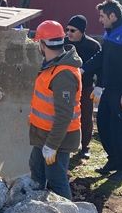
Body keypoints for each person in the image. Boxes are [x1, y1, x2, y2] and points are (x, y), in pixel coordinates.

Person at [82, 0, 122, 182]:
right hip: (110, 89)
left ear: (112, 15)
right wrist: (84, 68)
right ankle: (113, 160)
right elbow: (102, 56)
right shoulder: (111, 31)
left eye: (102, 16)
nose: (100, 20)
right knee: (103, 124)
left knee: (119, 129)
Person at [27, 20, 83, 199]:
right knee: (36, 168)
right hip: (43, 134)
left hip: (58, 138)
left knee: (56, 179)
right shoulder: (52, 66)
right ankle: (36, 205)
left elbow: (64, 115)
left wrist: (52, 146)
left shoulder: (63, 74)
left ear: (43, 44)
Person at [64, 15, 101, 159]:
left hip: (85, 86)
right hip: (67, 86)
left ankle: (85, 146)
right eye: (67, 30)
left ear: (82, 31)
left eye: (73, 30)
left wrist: (99, 86)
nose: (69, 33)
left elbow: (100, 68)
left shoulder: (93, 46)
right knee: (65, 115)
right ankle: (65, 145)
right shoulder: (64, 43)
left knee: (86, 116)